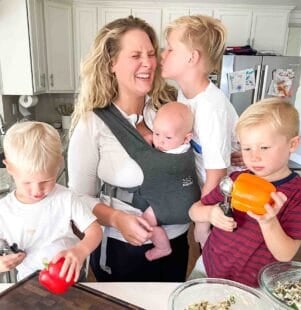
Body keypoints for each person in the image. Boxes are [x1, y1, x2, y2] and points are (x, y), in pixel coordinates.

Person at [68, 16, 195, 282]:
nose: (148, 63)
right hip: (124, 249)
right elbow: (78, 198)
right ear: (112, 64)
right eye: (135, 55)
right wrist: (116, 218)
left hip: (179, 242)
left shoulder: (170, 109)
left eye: (151, 53)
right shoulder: (93, 123)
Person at [189, 98, 301, 287]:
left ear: (292, 145)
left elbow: (285, 254)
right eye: (246, 148)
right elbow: (194, 211)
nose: (254, 156)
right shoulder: (235, 180)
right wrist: (210, 213)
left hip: (253, 286)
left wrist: (269, 222)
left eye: (264, 147)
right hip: (208, 268)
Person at [161, 14, 239, 247]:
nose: (162, 55)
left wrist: (202, 224)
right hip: (209, 200)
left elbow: (216, 174)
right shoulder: (184, 96)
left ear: (192, 58)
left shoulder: (210, 107)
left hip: (225, 206)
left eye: (170, 49)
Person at [0, 121, 102, 282]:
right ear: (9, 168)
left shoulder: (66, 198)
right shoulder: (4, 210)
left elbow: (94, 231)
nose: (37, 191)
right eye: (27, 183)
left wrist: (80, 251)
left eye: (46, 181)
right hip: (29, 283)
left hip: (72, 277)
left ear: (58, 165)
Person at [142, 101, 194, 261]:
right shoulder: (184, 147)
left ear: (187, 138)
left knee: (146, 221)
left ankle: (162, 247)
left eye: (168, 137)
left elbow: (154, 165)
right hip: (188, 203)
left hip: (175, 205)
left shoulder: (172, 156)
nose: (160, 142)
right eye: (157, 134)